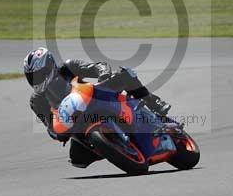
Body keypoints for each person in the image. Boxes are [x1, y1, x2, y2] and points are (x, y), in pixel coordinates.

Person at [23, 47, 171, 167]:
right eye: (32, 76)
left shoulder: (68, 67)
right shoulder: (36, 101)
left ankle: (153, 103)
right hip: (76, 123)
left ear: (50, 66)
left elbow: (98, 66)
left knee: (125, 74)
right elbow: (49, 125)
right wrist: (57, 133)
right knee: (78, 158)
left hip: (94, 99)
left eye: (39, 74)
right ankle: (113, 146)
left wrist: (104, 75)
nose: (36, 79)